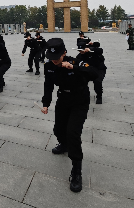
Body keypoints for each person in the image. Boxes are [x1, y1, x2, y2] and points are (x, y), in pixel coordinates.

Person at [41, 38, 98, 193]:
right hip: (63, 99)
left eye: (57, 57)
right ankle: (64, 145)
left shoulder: (75, 62)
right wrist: (46, 103)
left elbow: (94, 73)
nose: (54, 60)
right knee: (59, 130)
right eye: (51, 57)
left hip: (79, 101)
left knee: (73, 133)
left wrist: (75, 67)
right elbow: (48, 85)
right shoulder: (49, 66)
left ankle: (76, 171)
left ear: (64, 53)